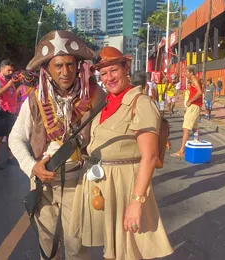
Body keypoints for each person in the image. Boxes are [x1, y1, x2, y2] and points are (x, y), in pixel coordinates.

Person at [69, 46, 173, 260]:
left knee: (128, 251)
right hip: (105, 185)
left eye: (113, 70)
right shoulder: (106, 103)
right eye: (104, 74)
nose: (109, 78)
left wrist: (136, 201)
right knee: (113, 249)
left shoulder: (140, 103)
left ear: (126, 68)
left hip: (125, 186)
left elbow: (150, 157)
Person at [9, 30, 106, 259]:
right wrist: (32, 167)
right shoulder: (34, 99)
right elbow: (15, 138)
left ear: (78, 66)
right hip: (43, 183)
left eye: (71, 65)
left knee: (77, 246)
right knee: (47, 242)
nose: (66, 72)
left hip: (79, 182)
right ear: (47, 69)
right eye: (59, 65)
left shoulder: (95, 96)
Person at [171, 65, 202, 158]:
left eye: (186, 72)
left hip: (193, 106)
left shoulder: (194, 80)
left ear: (191, 72)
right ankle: (197, 147)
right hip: (196, 106)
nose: (185, 74)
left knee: (186, 128)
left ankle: (181, 151)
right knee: (195, 128)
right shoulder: (194, 80)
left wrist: (190, 101)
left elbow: (200, 92)